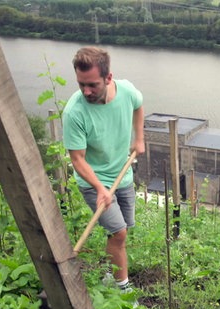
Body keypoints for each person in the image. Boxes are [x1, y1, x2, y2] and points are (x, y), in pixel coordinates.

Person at [62, 46, 145, 294]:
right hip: (93, 180)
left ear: (108, 78)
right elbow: (77, 159)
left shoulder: (126, 90)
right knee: (118, 232)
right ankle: (122, 287)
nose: (86, 91)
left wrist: (139, 138)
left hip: (123, 174)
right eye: (81, 84)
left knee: (123, 230)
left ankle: (111, 273)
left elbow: (138, 105)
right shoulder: (74, 113)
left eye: (93, 85)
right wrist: (100, 189)